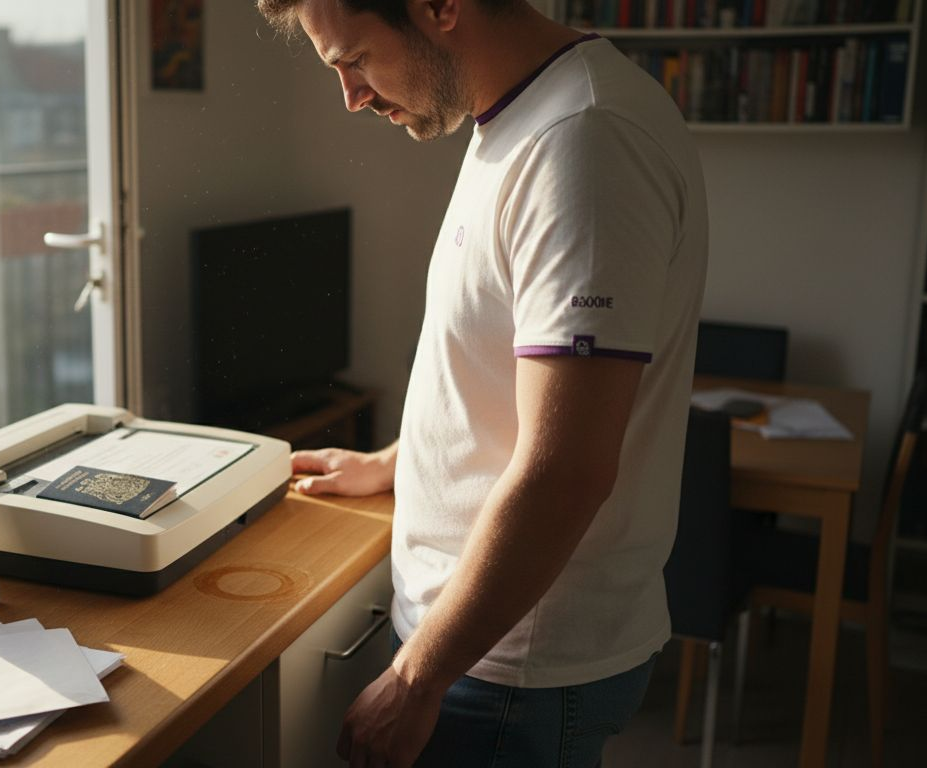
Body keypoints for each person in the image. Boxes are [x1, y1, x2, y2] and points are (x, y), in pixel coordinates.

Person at [256, 1, 708, 765]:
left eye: (355, 59)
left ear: (440, 7)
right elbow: (496, 373)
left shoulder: (583, 144)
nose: (351, 96)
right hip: (488, 653)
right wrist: (391, 464)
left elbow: (566, 472)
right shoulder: (523, 115)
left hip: (510, 670)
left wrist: (416, 677)